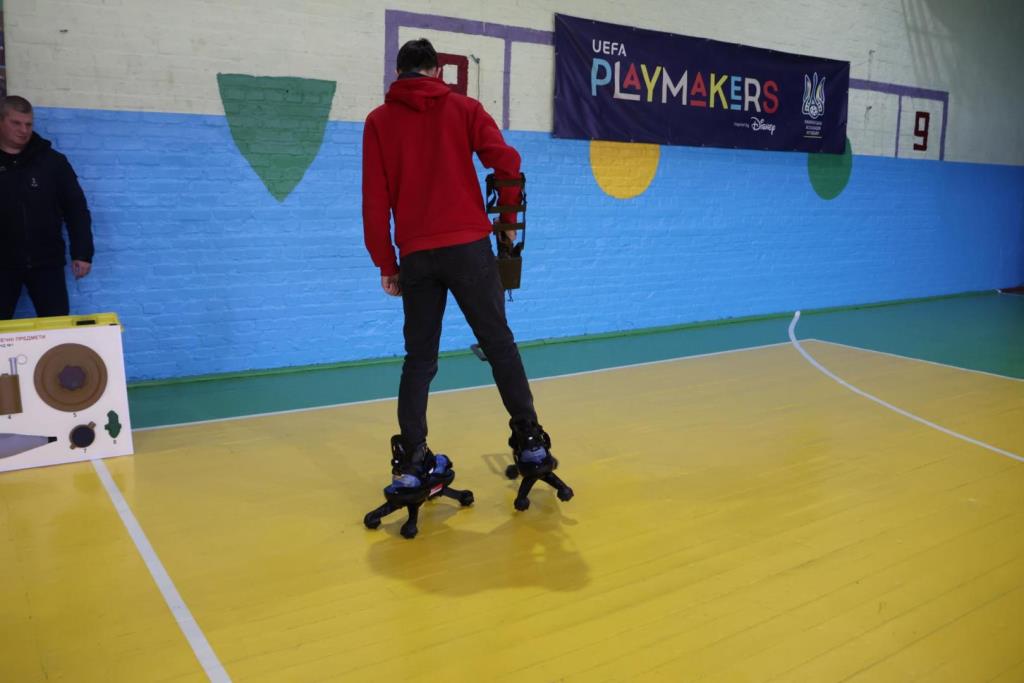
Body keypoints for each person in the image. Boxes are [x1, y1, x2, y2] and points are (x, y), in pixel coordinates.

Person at [362, 39, 558, 493]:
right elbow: (506, 162)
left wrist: (386, 263)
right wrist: (507, 220)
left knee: (419, 360)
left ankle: (413, 464)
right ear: (436, 71)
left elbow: (374, 200)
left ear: (398, 73)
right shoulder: (464, 108)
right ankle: (530, 444)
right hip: (469, 248)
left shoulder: (378, 121)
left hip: (416, 256)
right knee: (499, 345)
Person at [0, 95, 93, 319]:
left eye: (28, 124)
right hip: (2, 264)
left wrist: (82, 253)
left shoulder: (53, 162)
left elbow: (76, 209)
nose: (23, 130)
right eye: (16, 123)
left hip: (47, 263)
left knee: (56, 327)